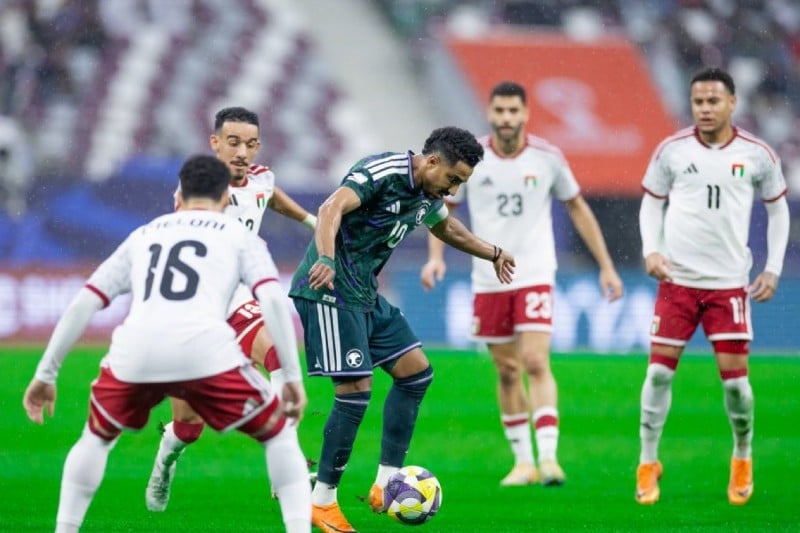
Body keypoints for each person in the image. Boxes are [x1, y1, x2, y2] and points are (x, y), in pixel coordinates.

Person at [22, 155, 312, 533]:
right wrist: (293, 378)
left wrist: (46, 374)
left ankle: (65, 527)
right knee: (274, 435)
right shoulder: (238, 236)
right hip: (203, 348)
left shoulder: (146, 234)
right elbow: (273, 298)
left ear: (178, 197)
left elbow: (85, 300)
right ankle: (293, 521)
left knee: (95, 438)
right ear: (225, 198)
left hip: (137, 350)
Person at [289, 126, 515, 533]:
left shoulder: (428, 195)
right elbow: (330, 208)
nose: (452, 190)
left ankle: (386, 481)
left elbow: (448, 229)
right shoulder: (383, 172)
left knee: (415, 373)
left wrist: (493, 252)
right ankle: (321, 501)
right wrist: (325, 258)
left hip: (364, 293)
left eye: (460, 184)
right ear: (432, 161)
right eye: (452, 179)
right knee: (355, 391)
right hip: (329, 290)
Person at [420, 81, 624, 487]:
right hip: (488, 277)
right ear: (490, 113)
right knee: (507, 370)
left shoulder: (548, 157)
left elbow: (577, 207)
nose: (506, 118)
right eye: (500, 111)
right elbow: (442, 211)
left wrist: (606, 265)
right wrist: (435, 258)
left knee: (534, 361)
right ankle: (523, 462)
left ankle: (548, 458)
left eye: (514, 111)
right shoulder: (471, 160)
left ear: (525, 114)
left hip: (534, 273)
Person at [146, 106, 317, 511]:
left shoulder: (261, 178)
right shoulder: (199, 187)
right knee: (188, 428)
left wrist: (312, 220)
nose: (241, 152)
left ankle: (284, 466)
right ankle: (164, 463)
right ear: (215, 143)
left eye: (250, 144)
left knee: (279, 354)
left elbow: (268, 195)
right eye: (233, 142)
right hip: (197, 309)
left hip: (239, 301)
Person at [635, 67, 790, 506]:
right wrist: (651, 250)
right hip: (677, 282)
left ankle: (742, 455)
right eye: (698, 101)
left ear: (731, 103)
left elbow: (778, 211)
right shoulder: (672, 150)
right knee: (658, 373)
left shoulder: (757, 154)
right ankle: (647, 462)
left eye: (713, 101)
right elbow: (651, 203)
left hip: (728, 286)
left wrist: (773, 268)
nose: (704, 109)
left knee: (736, 386)